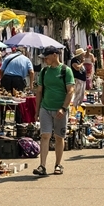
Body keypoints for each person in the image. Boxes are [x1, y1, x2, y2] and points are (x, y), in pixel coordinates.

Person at [33, 46, 74, 176]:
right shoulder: (44, 72)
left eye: (47, 57)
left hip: (60, 110)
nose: (45, 59)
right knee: (45, 136)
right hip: (45, 108)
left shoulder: (65, 71)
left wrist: (63, 108)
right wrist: (37, 110)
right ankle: (42, 166)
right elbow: (39, 91)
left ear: (55, 55)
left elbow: (71, 91)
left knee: (58, 137)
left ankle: (58, 164)